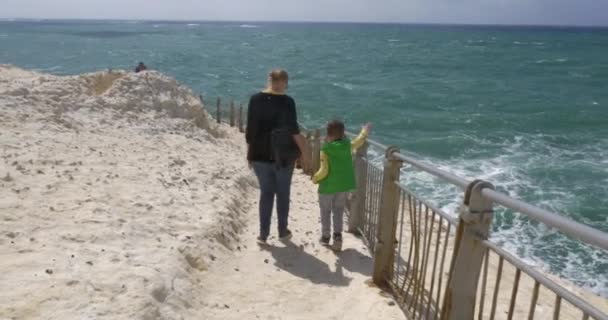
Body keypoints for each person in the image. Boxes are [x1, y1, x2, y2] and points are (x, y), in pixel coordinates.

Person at [246, 69, 310, 245]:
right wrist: (304, 154)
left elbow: (250, 131)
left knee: (266, 193)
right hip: (283, 156)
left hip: (259, 153)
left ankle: (263, 235)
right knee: (282, 193)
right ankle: (282, 232)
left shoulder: (255, 99)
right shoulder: (287, 102)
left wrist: (249, 154)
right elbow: (294, 131)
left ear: (269, 80)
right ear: (285, 82)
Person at [312, 120, 371, 251]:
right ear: (343, 134)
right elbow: (359, 141)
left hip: (327, 186)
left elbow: (324, 169)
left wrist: (315, 178)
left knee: (325, 212)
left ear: (329, 135)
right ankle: (337, 237)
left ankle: (325, 237)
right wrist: (364, 131)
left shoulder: (326, 148)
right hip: (343, 186)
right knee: (338, 211)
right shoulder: (348, 146)